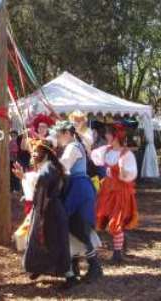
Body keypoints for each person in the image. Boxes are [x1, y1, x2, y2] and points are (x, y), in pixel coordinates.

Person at [12, 139, 75, 289]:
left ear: (46, 154)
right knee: (42, 242)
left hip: (50, 212)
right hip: (49, 211)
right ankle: (39, 267)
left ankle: (69, 276)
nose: (33, 154)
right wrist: (24, 177)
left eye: (37, 151)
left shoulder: (48, 170)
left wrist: (26, 179)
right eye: (33, 151)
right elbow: (39, 186)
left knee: (55, 243)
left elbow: (41, 189)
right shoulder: (50, 168)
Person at [53, 120, 103, 283]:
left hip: (78, 189)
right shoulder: (76, 146)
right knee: (73, 226)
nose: (58, 139)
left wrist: (45, 165)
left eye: (59, 135)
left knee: (77, 226)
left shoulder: (73, 147)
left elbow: (62, 167)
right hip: (77, 188)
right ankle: (75, 266)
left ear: (67, 134)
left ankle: (94, 267)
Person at [92, 123, 139, 264]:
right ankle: (121, 245)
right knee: (105, 219)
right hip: (107, 190)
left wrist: (123, 171)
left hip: (120, 191)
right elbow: (93, 155)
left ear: (116, 136)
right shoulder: (106, 150)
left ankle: (118, 253)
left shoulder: (126, 154)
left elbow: (130, 174)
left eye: (108, 133)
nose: (106, 136)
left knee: (116, 221)